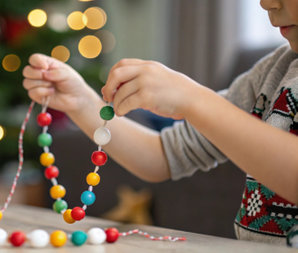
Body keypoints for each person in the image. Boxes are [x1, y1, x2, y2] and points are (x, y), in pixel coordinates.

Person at [22, 0, 298, 246]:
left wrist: (194, 100)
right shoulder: (273, 71)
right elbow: (163, 155)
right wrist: (81, 102)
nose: (266, 3)